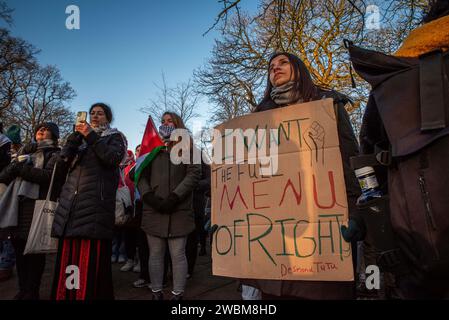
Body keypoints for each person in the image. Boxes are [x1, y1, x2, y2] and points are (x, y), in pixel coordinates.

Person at [347, 0, 449, 299]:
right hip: (421, 258)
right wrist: (363, 214)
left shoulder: (391, 80)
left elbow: (367, 158)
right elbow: (369, 158)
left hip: (421, 255)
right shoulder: (394, 81)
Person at [244, 52, 361, 299]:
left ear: (299, 68)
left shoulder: (329, 103)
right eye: (271, 66)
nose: (275, 68)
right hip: (275, 231)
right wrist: (229, 215)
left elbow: (351, 159)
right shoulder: (258, 117)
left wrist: (356, 212)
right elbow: (249, 173)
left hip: (323, 221)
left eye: (283, 62)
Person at [51, 102, 127, 300]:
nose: (95, 116)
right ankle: (67, 294)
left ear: (108, 118)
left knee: (89, 261)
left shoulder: (115, 137)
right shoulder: (79, 140)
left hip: (95, 207)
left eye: (100, 114)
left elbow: (111, 159)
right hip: (70, 207)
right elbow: (61, 165)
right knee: (69, 261)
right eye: (92, 113)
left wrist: (92, 136)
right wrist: (73, 140)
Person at [137, 111, 201, 300]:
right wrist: (149, 196)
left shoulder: (189, 148)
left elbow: (194, 174)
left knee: (178, 254)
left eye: (170, 121)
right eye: (163, 121)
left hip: (178, 210)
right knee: (155, 254)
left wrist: (175, 197)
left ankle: (177, 293)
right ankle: (156, 291)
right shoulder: (152, 148)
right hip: (154, 210)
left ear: (178, 124)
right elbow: (140, 174)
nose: (166, 124)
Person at [0, 122, 62, 299]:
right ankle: (22, 289)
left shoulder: (55, 154)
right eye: (39, 129)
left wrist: (20, 168)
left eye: (46, 129)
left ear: (54, 135)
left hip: (38, 205)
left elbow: (48, 177)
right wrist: (18, 161)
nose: (41, 131)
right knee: (19, 249)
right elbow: (3, 176)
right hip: (17, 207)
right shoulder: (22, 153)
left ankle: (32, 291)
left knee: (34, 251)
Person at [185, 158, 210, 279]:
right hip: (178, 203)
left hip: (195, 203)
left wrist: (194, 184)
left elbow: (209, 179)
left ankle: (189, 268)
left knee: (193, 235)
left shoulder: (200, 157)